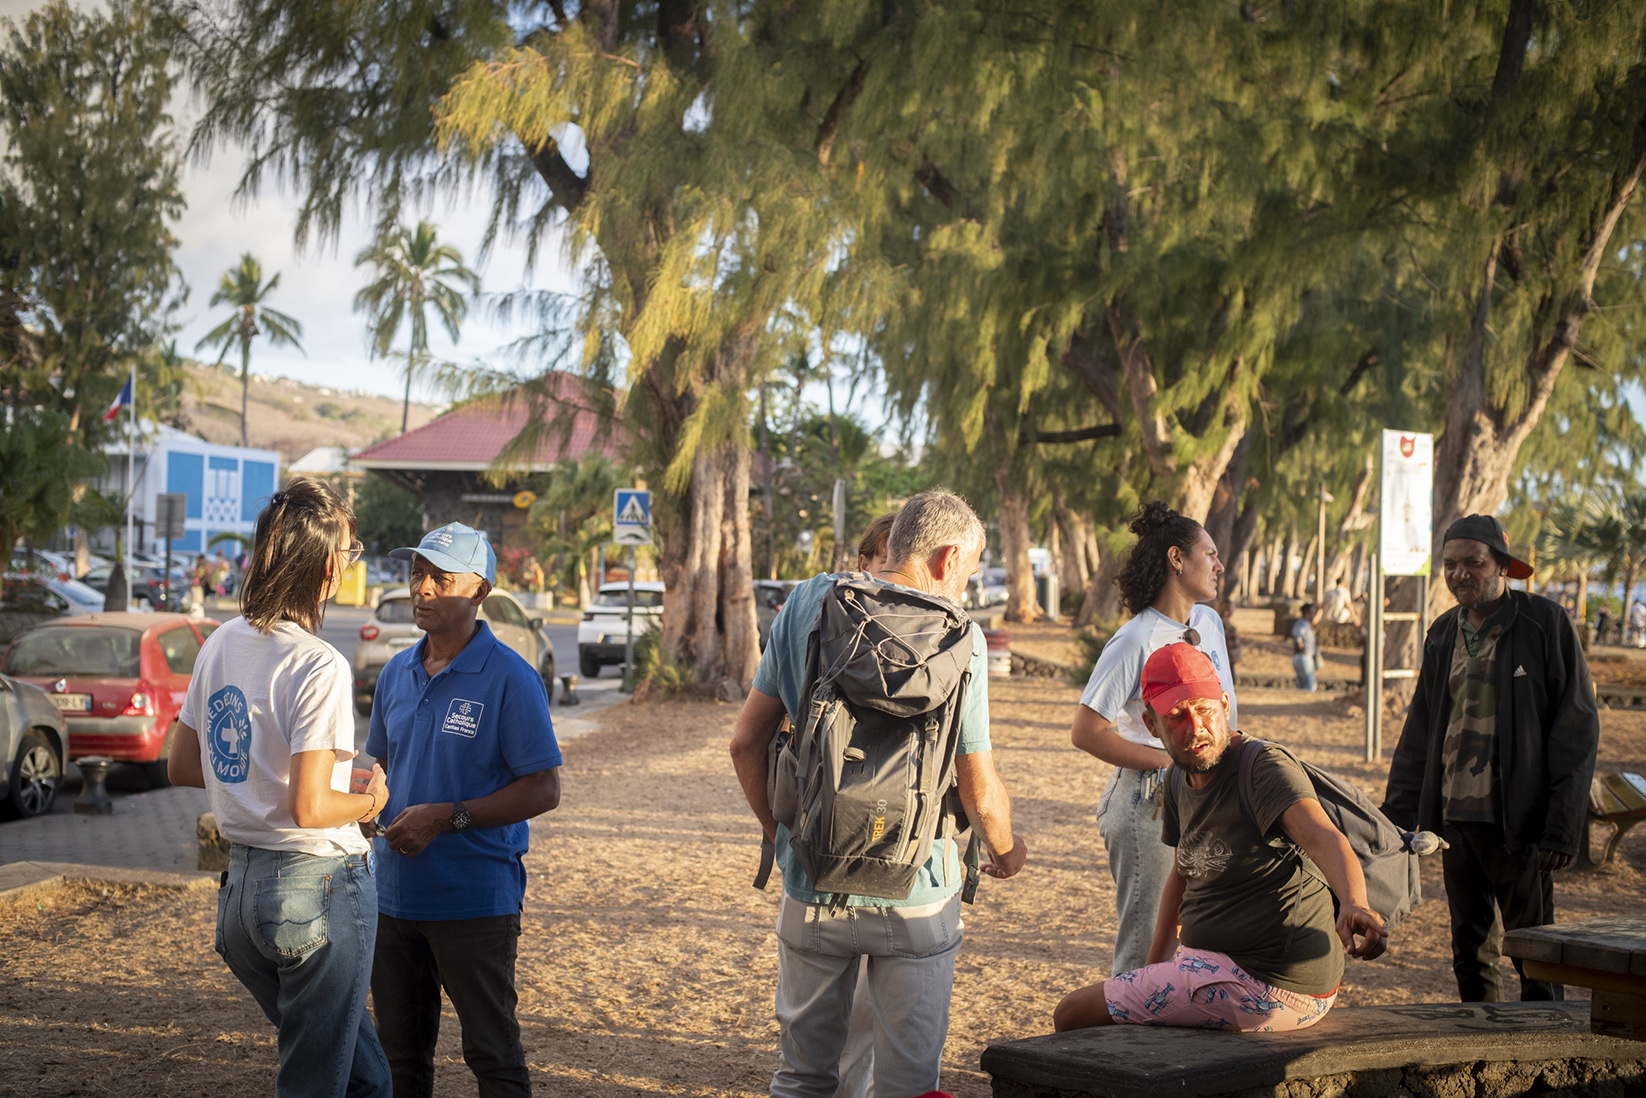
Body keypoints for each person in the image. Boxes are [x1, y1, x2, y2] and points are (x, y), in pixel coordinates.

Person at [729, 489, 1026, 1098]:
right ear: (946, 558)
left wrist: (781, 833)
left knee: (803, 1076)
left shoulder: (808, 602)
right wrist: (1007, 847)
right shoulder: (959, 639)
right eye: (969, 570)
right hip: (918, 894)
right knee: (910, 1082)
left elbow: (744, 744)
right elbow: (978, 785)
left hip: (813, 881)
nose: (965, 585)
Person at [167, 476, 392, 1098]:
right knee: (319, 1079)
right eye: (349, 552)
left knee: (363, 1077)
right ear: (324, 565)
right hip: (315, 890)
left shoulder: (219, 644)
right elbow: (313, 805)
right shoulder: (317, 663)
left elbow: (183, 766)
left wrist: (252, 781)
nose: (352, 564)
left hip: (242, 898)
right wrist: (373, 800)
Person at [1053, 643, 1386, 1032]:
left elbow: (1323, 837)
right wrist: (1153, 970)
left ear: (1225, 705)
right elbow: (1181, 874)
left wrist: (1353, 902)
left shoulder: (1264, 768)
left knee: (1072, 1013)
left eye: (1205, 709)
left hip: (1270, 984)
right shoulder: (1179, 775)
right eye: (1176, 716)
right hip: (1213, 967)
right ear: (1150, 725)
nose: (1195, 728)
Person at [367, 523, 564, 1097]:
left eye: (440, 578)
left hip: (474, 901)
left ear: (479, 591)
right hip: (393, 899)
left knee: (491, 1054)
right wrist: (362, 801)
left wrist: (445, 816)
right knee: (399, 1059)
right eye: (416, 575)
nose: (422, 589)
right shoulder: (395, 673)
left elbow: (543, 789)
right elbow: (377, 765)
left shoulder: (510, 678)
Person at [1382, 514, 1599, 1002]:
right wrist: (1395, 819)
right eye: (1451, 564)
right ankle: (1483, 1054)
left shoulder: (1545, 624)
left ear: (1501, 565)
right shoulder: (1441, 633)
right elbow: (1419, 733)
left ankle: (1543, 1061)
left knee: (1534, 954)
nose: (1461, 574)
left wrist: (1562, 827)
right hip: (1453, 825)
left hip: (1519, 826)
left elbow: (1577, 728)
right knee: (1470, 950)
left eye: (1474, 563)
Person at [1069, 500, 1237, 976]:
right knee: (1147, 956)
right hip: (1147, 804)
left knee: (1199, 943)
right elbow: (1086, 731)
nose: (1219, 565)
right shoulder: (1134, 639)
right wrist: (1172, 763)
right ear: (1177, 559)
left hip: (1209, 797)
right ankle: (1126, 1051)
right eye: (1210, 553)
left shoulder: (1209, 623)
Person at [1291, 603, 1320, 692]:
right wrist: (1300, 645)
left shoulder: (1306, 624)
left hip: (1303, 656)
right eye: (1312, 612)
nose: (1314, 615)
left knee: (1302, 685)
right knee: (1310, 686)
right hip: (1304, 656)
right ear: (1306, 613)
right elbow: (1297, 634)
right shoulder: (1302, 624)